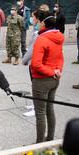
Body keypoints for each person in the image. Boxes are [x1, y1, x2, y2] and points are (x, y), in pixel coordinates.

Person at [30, 10, 64, 143]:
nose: (37, 24)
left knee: (40, 113)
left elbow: (36, 64)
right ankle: (49, 139)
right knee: (50, 110)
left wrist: (50, 72)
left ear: (43, 23)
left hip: (42, 80)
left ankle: (39, 143)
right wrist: (57, 71)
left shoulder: (42, 39)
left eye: (38, 21)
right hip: (55, 78)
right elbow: (61, 57)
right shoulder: (59, 36)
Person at [22, 10, 41, 118]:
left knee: (37, 86)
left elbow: (32, 49)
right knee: (34, 84)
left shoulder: (39, 32)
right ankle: (35, 104)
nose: (31, 19)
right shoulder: (36, 30)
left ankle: (37, 108)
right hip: (33, 62)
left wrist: (25, 60)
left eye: (33, 17)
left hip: (36, 62)